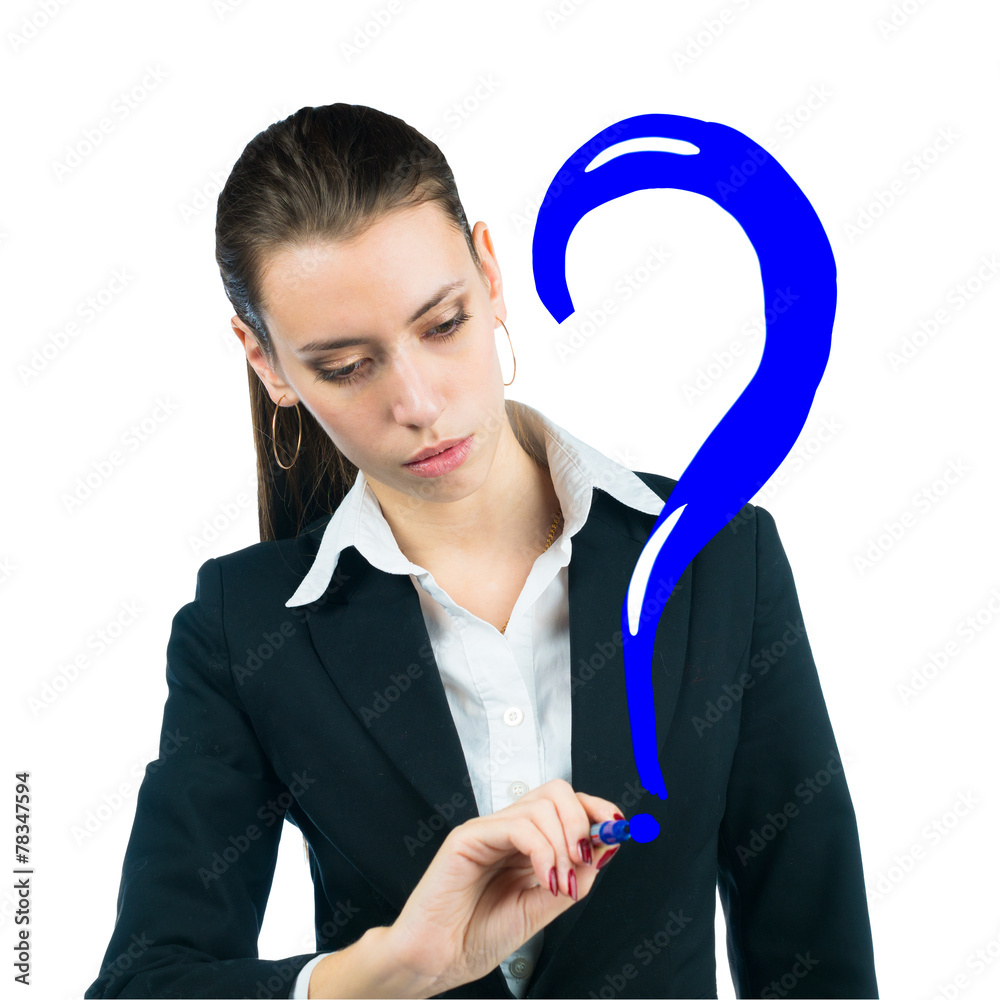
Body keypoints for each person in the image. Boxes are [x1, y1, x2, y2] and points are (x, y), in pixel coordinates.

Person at [84, 103, 878, 999]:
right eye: (346, 367)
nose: (418, 403)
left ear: (490, 275)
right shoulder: (242, 629)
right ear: (266, 362)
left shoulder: (719, 555)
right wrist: (390, 968)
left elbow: (818, 962)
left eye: (443, 324)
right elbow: (143, 986)